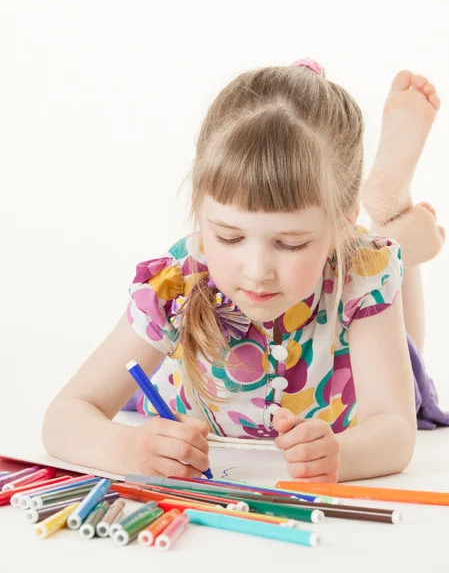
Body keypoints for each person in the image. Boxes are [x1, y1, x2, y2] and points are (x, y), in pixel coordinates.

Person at [42, 58, 448, 483]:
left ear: (341, 224)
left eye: (290, 243)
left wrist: (342, 455)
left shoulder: (361, 276)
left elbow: (395, 430)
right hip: (192, 402)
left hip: (350, 379)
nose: (257, 272)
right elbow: (64, 416)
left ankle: (389, 209)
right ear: (200, 213)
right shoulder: (176, 284)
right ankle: (395, 227)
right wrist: (126, 448)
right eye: (230, 238)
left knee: (405, 347)